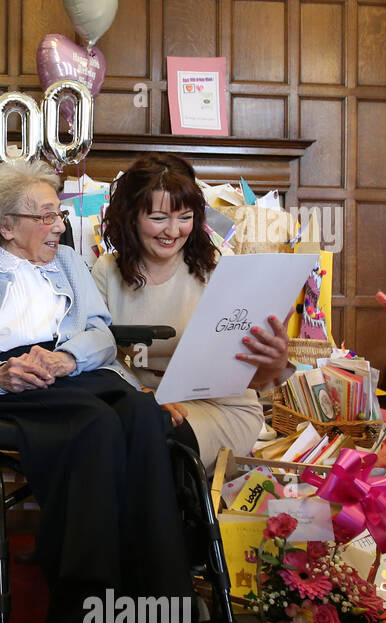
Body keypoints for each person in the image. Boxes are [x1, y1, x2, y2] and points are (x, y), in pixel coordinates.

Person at [0, 160, 224, 623]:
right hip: (10, 385)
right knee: (97, 428)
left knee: (146, 418)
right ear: (4, 225)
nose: (56, 224)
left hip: (77, 371)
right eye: (42, 215)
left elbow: (98, 331)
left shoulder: (70, 265)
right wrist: (4, 368)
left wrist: (67, 359)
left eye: (57, 212)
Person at [92, 154, 292, 474]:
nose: (173, 231)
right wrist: (136, 393)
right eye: (158, 218)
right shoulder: (107, 272)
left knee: (150, 437)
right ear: (131, 216)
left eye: (184, 217)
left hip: (221, 408)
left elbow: (260, 375)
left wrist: (275, 361)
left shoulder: (217, 265)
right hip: (142, 403)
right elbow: (100, 355)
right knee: (110, 433)